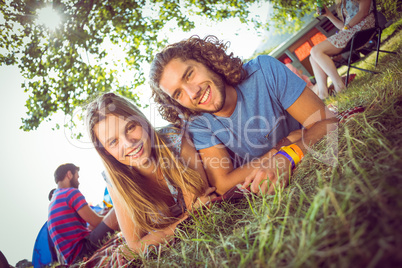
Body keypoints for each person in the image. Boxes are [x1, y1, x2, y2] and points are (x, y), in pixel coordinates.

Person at [149, 35, 338, 196]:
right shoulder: (199, 124)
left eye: (189, 75)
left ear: (207, 62)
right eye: (178, 94)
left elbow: (328, 122)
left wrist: (287, 157)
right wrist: (281, 148)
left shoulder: (264, 71)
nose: (192, 93)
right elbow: (223, 184)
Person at [84, 93, 215, 263]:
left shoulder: (175, 141)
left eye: (130, 127)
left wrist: (156, 237)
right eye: (113, 142)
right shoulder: (115, 181)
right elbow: (135, 246)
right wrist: (183, 221)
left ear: (142, 121)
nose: (129, 143)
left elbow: (201, 204)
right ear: (106, 152)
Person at [48, 163, 119, 265]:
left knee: (102, 218)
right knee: (120, 208)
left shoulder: (54, 200)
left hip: (72, 259)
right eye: (77, 177)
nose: (78, 182)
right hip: (84, 251)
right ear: (69, 175)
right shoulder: (70, 193)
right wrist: (108, 215)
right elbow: (96, 222)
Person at [310, 0, 375, 99]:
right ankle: (323, 94)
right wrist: (328, 14)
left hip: (363, 29)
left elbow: (363, 12)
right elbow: (343, 26)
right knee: (313, 57)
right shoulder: (342, 3)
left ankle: (339, 86)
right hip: (351, 32)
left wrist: (346, 28)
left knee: (316, 51)